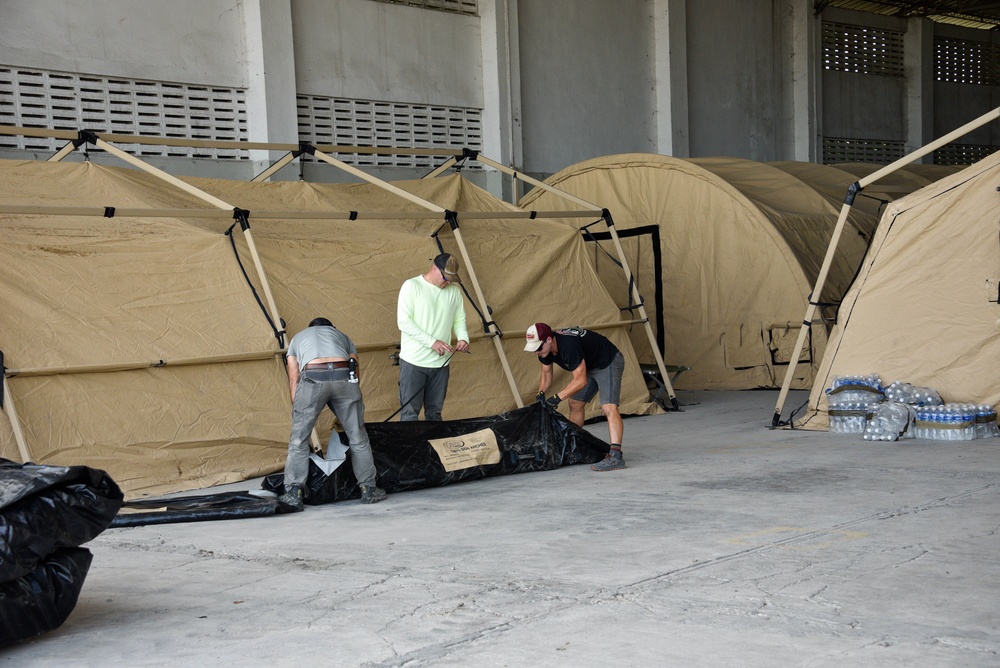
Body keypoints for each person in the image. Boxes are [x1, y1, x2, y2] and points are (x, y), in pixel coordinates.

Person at [279, 317, 386, 511]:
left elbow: (294, 378)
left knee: (299, 439)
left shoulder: (297, 338)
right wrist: (351, 398)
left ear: (310, 328)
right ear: (331, 328)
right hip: (344, 377)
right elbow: (355, 367)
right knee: (358, 437)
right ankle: (368, 489)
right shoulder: (342, 336)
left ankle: (294, 493)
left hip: (313, 377)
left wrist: (300, 410)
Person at [524, 322, 627, 471]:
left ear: (549, 340)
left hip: (608, 362)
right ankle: (572, 444)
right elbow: (546, 374)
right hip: (589, 366)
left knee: (608, 407)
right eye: (533, 349)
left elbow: (581, 380)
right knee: (575, 403)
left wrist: (557, 397)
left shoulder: (568, 346)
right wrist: (540, 393)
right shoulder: (544, 351)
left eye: (538, 347)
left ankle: (616, 456)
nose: (536, 352)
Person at [396, 253, 470, 421]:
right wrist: (432, 342)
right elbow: (404, 322)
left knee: (435, 414)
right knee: (409, 415)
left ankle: (434, 447)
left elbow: (459, 319)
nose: (449, 282)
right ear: (435, 268)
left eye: (452, 279)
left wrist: (463, 338)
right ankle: (412, 447)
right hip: (413, 362)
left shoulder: (454, 292)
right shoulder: (411, 286)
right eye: (446, 277)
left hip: (441, 364)